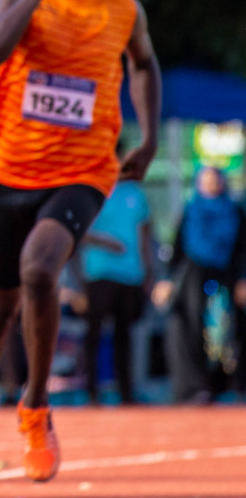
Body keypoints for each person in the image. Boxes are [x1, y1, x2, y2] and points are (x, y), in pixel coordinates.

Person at [0, 0, 161, 488]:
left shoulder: (123, 9)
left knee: (40, 270)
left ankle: (36, 407)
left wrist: (146, 134)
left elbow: (144, 66)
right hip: (11, 169)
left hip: (85, 169)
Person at [152, 166, 246, 403]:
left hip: (228, 276)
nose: (212, 185)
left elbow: (243, 249)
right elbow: (177, 250)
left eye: (215, 180)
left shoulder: (235, 212)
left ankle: (232, 385)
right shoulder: (191, 211)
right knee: (185, 325)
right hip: (193, 278)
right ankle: (193, 388)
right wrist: (166, 281)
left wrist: (242, 279)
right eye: (206, 180)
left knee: (231, 330)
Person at [72, 144, 154, 404]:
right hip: (99, 272)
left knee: (124, 335)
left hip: (130, 274)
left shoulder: (135, 194)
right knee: (93, 333)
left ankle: (126, 392)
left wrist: (148, 272)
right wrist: (102, 242)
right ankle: (92, 391)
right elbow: (75, 231)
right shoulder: (92, 192)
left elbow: (144, 236)